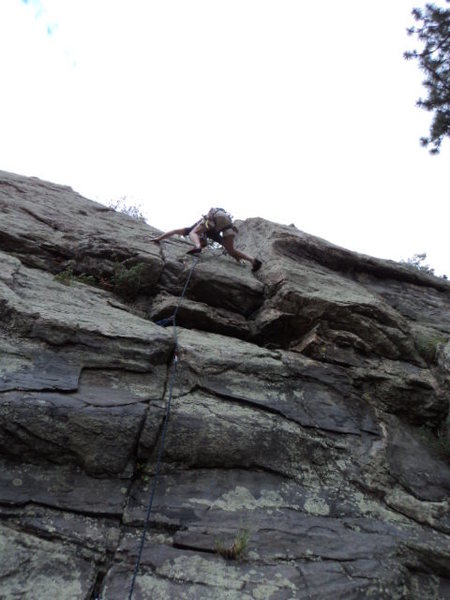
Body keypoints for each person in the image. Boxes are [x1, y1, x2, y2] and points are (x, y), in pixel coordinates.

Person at [152, 208, 262, 272]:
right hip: (226, 222)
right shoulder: (213, 234)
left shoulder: (197, 227)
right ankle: (253, 260)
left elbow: (175, 231)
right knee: (231, 249)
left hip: (214, 216)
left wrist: (158, 238)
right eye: (201, 242)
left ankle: (197, 246)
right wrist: (238, 260)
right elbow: (231, 251)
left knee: (192, 233)